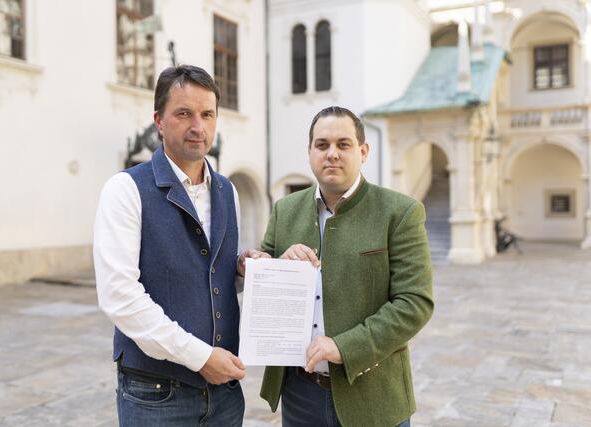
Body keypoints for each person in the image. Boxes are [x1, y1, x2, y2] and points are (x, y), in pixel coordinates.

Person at [93, 65, 265, 426]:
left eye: (207, 114)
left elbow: (207, 272)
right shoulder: (125, 190)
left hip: (224, 395)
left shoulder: (228, 191)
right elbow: (119, 296)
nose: (197, 126)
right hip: (156, 394)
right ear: (158, 120)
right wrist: (201, 357)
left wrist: (240, 267)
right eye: (183, 113)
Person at [258, 106, 434, 427]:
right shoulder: (285, 210)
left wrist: (343, 346)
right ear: (310, 152)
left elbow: (415, 303)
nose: (332, 154)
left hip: (373, 395)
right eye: (322, 145)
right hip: (300, 394)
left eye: (344, 144)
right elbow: (263, 277)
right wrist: (274, 266)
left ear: (363, 151)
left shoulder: (400, 212)